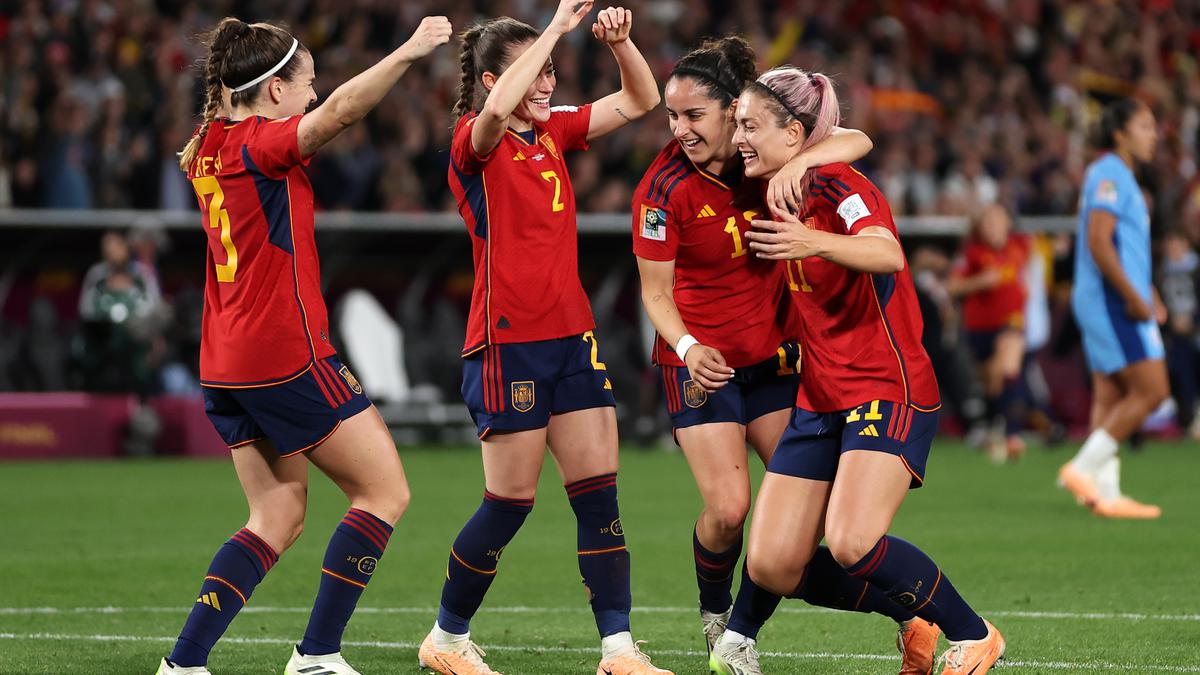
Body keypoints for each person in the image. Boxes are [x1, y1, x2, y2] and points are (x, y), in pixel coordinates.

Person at [157, 15, 452, 675]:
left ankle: (184, 663)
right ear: (271, 92)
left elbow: (323, 112)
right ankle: (316, 655)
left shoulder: (208, 142)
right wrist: (407, 49)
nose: (314, 96)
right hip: (283, 352)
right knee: (384, 493)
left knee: (276, 514)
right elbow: (343, 114)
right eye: (307, 84)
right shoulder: (259, 144)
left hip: (224, 359)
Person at [631, 37, 936, 675]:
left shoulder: (762, 163)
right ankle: (722, 625)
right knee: (729, 510)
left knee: (805, 531)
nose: (683, 130)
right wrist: (688, 347)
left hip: (776, 360)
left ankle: (909, 615)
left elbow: (855, 139)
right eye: (671, 117)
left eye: (696, 116)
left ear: (731, 112)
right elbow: (654, 294)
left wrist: (803, 164)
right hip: (701, 363)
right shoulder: (662, 188)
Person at [419, 4, 668, 675]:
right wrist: (555, 27)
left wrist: (620, 44)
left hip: (570, 339)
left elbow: (642, 98)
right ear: (498, 75)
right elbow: (497, 109)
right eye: (536, 72)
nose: (549, 83)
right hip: (507, 344)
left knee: (600, 493)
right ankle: (446, 636)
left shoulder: (554, 132)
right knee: (510, 503)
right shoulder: (478, 138)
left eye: (553, 72)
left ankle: (618, 649)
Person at [733, 66, 1007, 675]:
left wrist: (812, 241)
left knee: (854, 541)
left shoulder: (840, 187)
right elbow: (851, 133)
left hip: (888, 383)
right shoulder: (770, 179)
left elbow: (887, 251)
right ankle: (913, 618)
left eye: (749, 126)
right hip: (819, 393)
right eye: (736, 125)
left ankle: (974, 635)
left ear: (795, 132)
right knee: (773, 564)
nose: (738, 138)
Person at [1058, 99, 1168, 519]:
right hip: (1110, 298)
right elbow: (1099, 242)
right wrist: (1133, 296)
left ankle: (1106, 493)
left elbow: (1128, 248)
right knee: (1153, 390)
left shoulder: (1119, 177)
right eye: (1144, 125)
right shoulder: (1108, 174)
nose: (1154, 134)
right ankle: (1081, 469)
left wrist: (1149, 289)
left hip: (1116, 294)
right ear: (1120, 132)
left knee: (1114, 392)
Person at [948, 204, 1031, 462]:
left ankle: (1014, 435)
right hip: (979, 330)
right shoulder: (972, 254)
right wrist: (979, 282)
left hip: (1011, 324)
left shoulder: (1021, 246)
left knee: (1008, 366)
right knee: (992, 383)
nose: (994, 227)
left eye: (999, 220)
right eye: (989, 222)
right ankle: (993, 427)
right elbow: (952, 286)